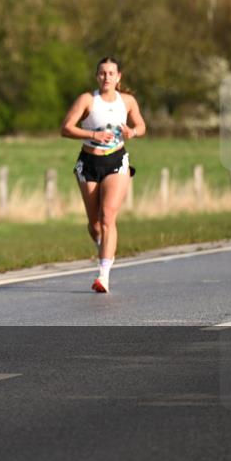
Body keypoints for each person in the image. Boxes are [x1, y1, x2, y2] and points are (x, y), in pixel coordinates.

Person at [60, 56, 146, 293]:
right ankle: (103, 245)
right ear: (97, 76)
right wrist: (92, 136)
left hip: (116, 161)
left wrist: (133, 133)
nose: (106, 77)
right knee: (95, 224)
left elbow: (141, 126)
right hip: (89, 162)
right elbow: (65, 128)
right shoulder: (87, 100)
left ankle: (103, 276)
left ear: (118, 77)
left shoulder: (127, 101)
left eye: (111, 73)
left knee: (108, 216)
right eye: (102, 73)